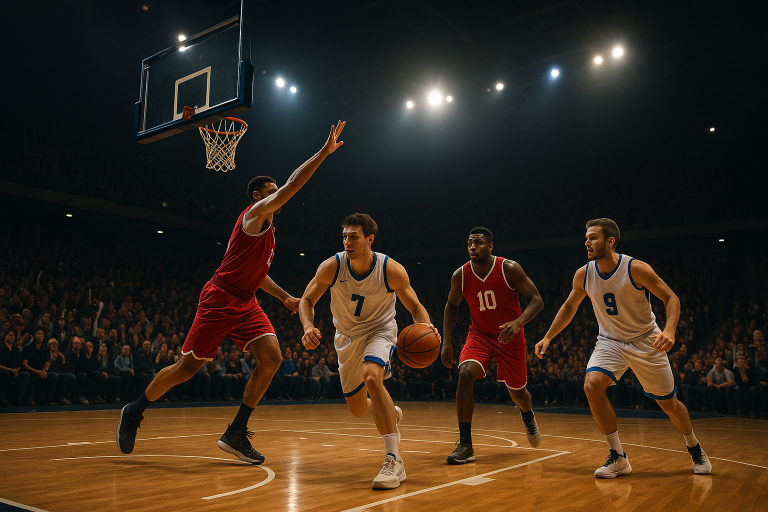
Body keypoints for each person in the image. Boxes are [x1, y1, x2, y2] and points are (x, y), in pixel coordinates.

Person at [116, 121, 346, 464]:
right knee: (186, 369)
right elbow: (294, 183)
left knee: (271, 359)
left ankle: (236, 432)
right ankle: (134, 411)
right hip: (219, 298)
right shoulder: (254, 214)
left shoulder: (269, 231)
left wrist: (283, 296)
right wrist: (323, 153)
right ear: (257, 195)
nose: (277, 193)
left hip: (246, 301)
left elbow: (259, 275)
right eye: (271, 190)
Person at [535, 218, 711, 477]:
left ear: (610, 241)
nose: (587, 242)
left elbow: (671, 297)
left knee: (669, 404)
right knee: (591, 385)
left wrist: (670, 330)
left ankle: (694, 446)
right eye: (586, 237)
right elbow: (570, 306)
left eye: (593, 237)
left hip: (646, 340)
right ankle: (618, 456)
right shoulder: (584, 273)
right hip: (610, 341)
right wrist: (548, 336)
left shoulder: (636, 268)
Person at [299, 213, 439, 490]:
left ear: (369, 239)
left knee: (373, 378)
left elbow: (415, 306)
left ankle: (393, 459)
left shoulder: (391, 269)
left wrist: (426, 326)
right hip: (346, 337)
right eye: (344, 236)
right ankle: (389, 411)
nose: (347, 241)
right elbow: (306, 299)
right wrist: (307, 326)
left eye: (354, 236)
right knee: (358, 409)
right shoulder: (332, 266)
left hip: (380, 331)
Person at [440, 227, 544, 464]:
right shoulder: (461, 275)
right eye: (469, 243)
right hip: (480, 335)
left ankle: (527, 415)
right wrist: (447, 340)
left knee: (518, 394)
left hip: (510, 336)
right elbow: (451, 305)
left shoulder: (509, 268)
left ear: (490, 246)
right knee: (465, 373)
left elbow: (537, 299)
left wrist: (518, 322)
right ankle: (465, 444)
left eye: (478, 242)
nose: (472, 247)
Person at [0, 331, 30, 406]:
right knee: (5, 375)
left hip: (14, 371)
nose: (12, 337)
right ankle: (2, 397)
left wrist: (17, 370)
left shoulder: (16, 350)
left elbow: (19, 363)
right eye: (10, 335)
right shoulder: (1, 348)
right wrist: (11, 370)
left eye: (13, 335)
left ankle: (18, 398)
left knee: (25, 375)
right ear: (6, 336)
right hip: (4, 370)